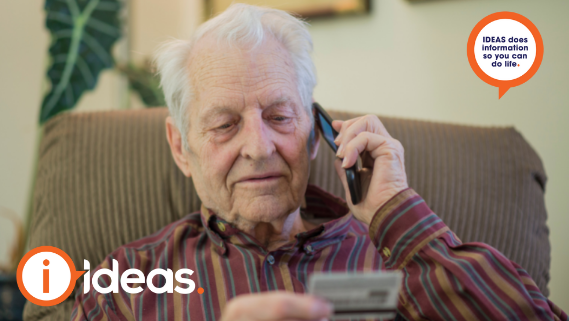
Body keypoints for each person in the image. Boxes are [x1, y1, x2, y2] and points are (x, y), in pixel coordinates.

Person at [71, 3, 567, 321]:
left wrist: (398, 213)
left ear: (315, 133)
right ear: (181, 147)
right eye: (224, 125)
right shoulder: (129, 282)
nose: (259, 147)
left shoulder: (400, 256)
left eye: (279, 117)